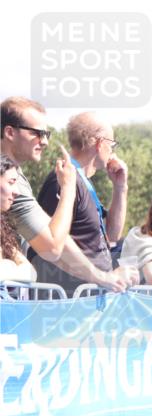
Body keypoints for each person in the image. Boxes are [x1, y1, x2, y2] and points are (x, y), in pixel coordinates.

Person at [1, 98, 129, 291]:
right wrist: (68, 187)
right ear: (10, 132)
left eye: (47, 134)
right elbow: (52, 247)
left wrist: (102, 278)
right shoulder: (60, 180)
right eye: (37, 133)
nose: (44, 141)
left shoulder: (16, 178)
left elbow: (54, 241)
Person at [32, 112, 131, 294]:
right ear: (101, 144)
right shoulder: (63, 179)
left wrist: (120, 188)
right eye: (112, 144)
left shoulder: (82, 181)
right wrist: (101, 277)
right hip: (68, 301)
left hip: (88, 297)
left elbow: (112, 234)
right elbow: (53, 241)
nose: (113, 151)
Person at [1, 155, 37, 281]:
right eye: (11, 182)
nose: (16, 191)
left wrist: (7, 268)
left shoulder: (3, 229)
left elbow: (31, 274)